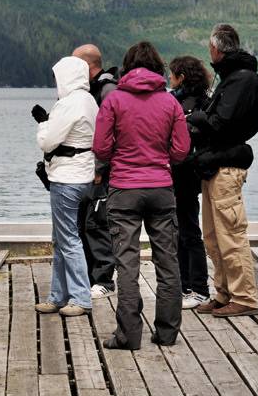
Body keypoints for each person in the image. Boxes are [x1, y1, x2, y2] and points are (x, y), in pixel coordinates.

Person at [92, 42, 190, 350]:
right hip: (161, 189)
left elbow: (101, 148)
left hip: (123, 191)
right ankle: (167, 333)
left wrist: (122, 155)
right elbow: (181, 151)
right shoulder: (170, 103)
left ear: (127, 66)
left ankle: (128, 335)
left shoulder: (114, 100)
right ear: (158, 67)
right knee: (168, 263)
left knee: (127, 264)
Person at [187, 24, 258, 318]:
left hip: (227, 168)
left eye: (210, 49)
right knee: (212, 235)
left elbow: (221, 122)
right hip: (214, 165)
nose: (210, 54)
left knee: (230, 235)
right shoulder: (232, 78)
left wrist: (196, 118)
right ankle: (223, 294)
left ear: (216, 49)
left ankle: (244, 297)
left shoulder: (242, 80)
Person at [32, 56, 98, 317]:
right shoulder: (89, 100)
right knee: (61, 238)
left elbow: (47, 142)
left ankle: (81, 297)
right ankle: (58, 296)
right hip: (86, 175)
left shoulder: (68, 103)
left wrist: (43, 123)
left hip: (66, 178)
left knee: (68, 239)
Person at [72, 44, 119, 299]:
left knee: (98, 222)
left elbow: (111, 132)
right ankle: (90, 276)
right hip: (86, 169)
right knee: (85, 223)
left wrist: (100, 168)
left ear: (86, 66)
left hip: (102, 171)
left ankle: (104, 279)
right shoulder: (90, 90)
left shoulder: (108, 90)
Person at [168, 55, 212, 309]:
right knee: (183, 231)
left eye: (172, 74)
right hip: (186, 174)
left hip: (183, 174)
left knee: (188, 232)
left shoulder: (188, 105)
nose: (168, 79)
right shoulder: (199, 101)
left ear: (181, 77)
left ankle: (199, 288)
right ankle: (186, 286)